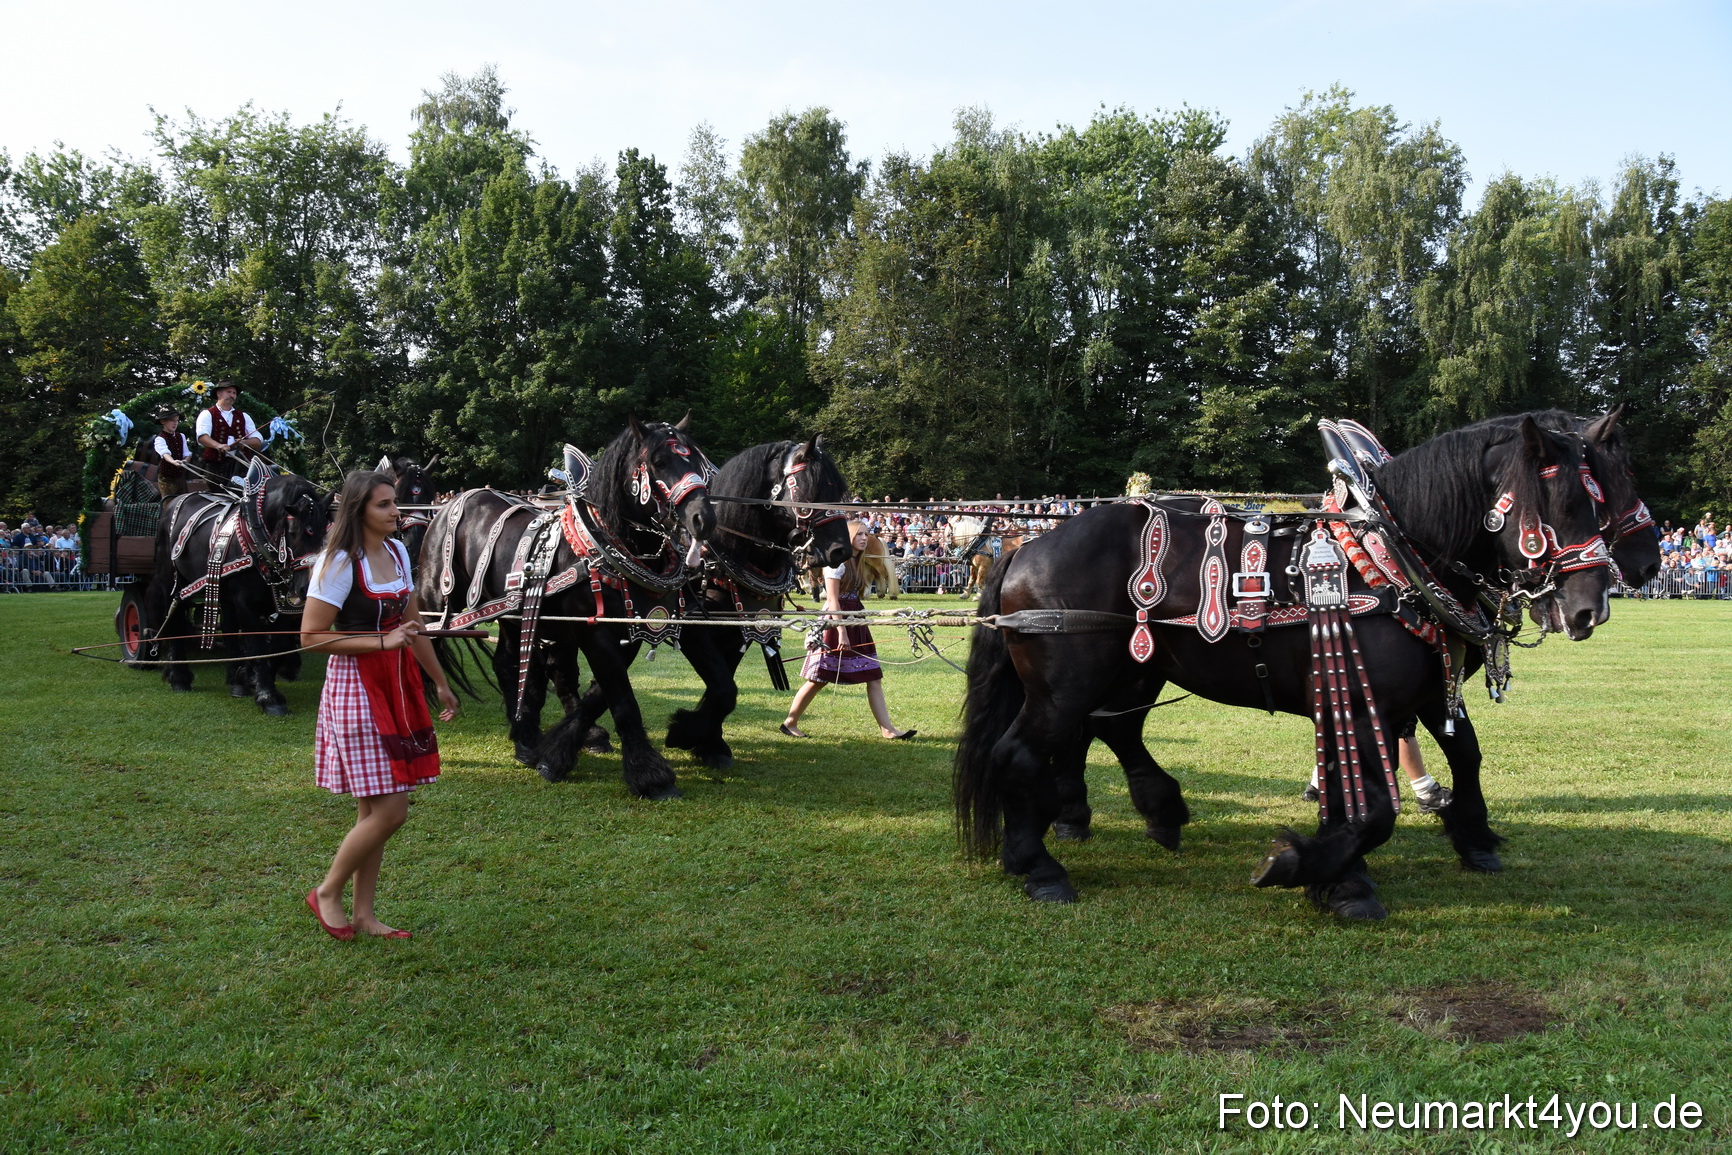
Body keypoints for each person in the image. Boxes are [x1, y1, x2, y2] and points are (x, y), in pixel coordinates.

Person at [301, 470, 459, 941]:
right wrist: (381, 640)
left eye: (394, 503)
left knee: (372, 813)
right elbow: (311, 637)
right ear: (359, 510)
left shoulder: (395, 552)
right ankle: (327, 891)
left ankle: (365, 915)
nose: (396, 511)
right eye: (384, 505)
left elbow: (413, 626)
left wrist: (441, 682)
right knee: (392, 811)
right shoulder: (338, 563)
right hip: (356, 689)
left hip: (398, 684)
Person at [781, 521, 916, 741]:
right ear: (849, 536)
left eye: (867, 534)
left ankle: (887, 729)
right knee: (819, 678)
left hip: (854, 620)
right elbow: (833, 600)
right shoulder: (836, 564)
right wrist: (841, 632)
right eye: (860, 534)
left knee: (873, 676)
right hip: (836, 623)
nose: (865, 538)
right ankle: (790, 722)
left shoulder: (857, 561)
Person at [195, 381, 263, 483]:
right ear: (219, 394)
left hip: (240, 467)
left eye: (234, 393)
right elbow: (202, 437)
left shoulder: (244, 416)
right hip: (215, 466)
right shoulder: (207, 414)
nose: (232, 395)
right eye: (229, 392)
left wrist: (244, 442)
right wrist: (218, 446)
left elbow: (258, 439)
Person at [149, 405, 194, 498]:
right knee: (168, 504)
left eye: (177, 420)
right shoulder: (160, 439)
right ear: (163, 421)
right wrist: (174, 462)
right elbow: (165, 454)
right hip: (166, 478)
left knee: (183, 501)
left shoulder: (181, 436)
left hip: (180, 476)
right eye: (172, 420)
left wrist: (185, 460)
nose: (175, 423)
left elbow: (187, 453)